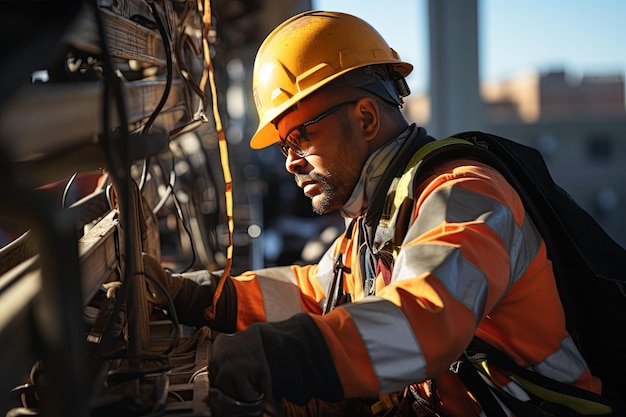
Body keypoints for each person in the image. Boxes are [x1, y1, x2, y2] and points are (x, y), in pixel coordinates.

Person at [146, 10, 609, 417]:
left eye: (301, 136)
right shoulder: (378, 219)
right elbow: (316, 293)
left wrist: (276, 355)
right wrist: (198, 296)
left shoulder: (464, 194)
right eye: (285, 145)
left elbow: (425, 317)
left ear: (366, 118)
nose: (289, 160)